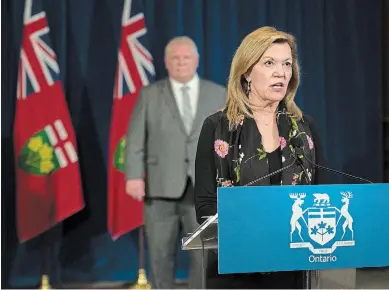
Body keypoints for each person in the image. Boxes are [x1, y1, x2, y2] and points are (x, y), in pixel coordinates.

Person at [194, 26, 328, 289]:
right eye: (269, 63)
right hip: (237, 271)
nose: (281, 72)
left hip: (293, 266)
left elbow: (322, 194)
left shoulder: (305, 127)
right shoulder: (218, 127)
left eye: (287, 64)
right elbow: (206, 205)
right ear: (246, 72)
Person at [124, 36, 226, 289]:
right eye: (175, 58)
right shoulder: (149, 95)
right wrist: (133, 176)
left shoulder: (218, 94)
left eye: (186, 57)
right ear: (166, 62)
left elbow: (228, 140)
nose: (181, 62)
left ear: (197, 61)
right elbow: (135, 139)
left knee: (205, 255)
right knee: (160, 256)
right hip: (159, 190)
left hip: (204, 190)